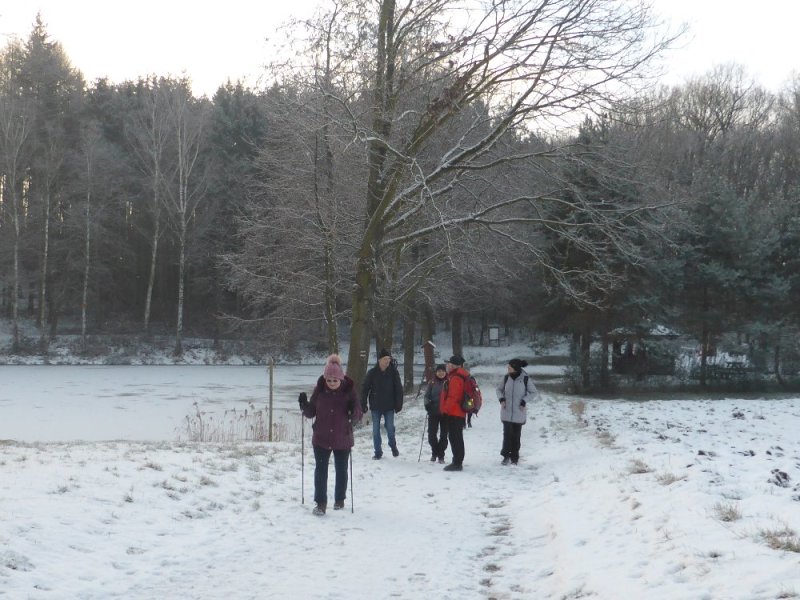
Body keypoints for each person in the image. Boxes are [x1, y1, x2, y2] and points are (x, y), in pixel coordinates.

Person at [299, 354, 362, 515]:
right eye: (329, 380)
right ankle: (321, 503)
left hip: (343, 438)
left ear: (341, 378)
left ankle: (339, 500)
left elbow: (358, 413)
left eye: (335, 380)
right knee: (321, 470)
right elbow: (310, 412)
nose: (332, 383)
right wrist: (303, 404)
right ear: (325, 379)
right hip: (321, 437)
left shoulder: (349, 392)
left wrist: (352, 411)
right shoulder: (319, 391)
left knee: (341, 470)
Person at [361, 348, 403, 459]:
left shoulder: (393, 372)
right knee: (376, 431)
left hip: (389, 406)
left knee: (390, 428)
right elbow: (365, 389)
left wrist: (399, 403)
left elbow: (398, 388)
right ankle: (378, 452)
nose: (387, 361)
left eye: (389, 359)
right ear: (379, 360)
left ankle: (393, 445)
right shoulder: (372, 373)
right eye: (385, 359)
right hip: (376, 406)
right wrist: (363, 403)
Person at [496, 358, 538, 465]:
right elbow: (499, 390)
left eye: (509, 367)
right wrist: (501, 399)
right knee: (507, 435)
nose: (507, 368)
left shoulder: (525, 379)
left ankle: (515, 457)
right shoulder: (506, 378)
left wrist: (524, 401)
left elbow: (533, 392)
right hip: (506, 412)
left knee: (516, 436)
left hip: (519, 412)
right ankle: (505, 456)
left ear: (515, 368)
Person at [440, 354, 470, 471]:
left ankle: (457, 462)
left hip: (454, 413)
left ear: (453, 365)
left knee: (455, 437)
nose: (447, 365)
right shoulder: (457, 376)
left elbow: (453, 397)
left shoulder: (456, 378)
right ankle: (457, 461)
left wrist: (445, 411)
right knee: (456, 437)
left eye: (448, 363)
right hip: (457, 413)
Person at [423, 364, 448, 463]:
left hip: (445, 413)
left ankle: (441, 455)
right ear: (436, 372)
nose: (441, 373)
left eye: (443, 371)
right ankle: (435, 452)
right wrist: (427, 405)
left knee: (443, 435)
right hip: (433, 412)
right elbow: (426, 396)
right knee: (431, 435)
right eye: (439, 371)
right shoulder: (432, 383)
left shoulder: (449, 382)